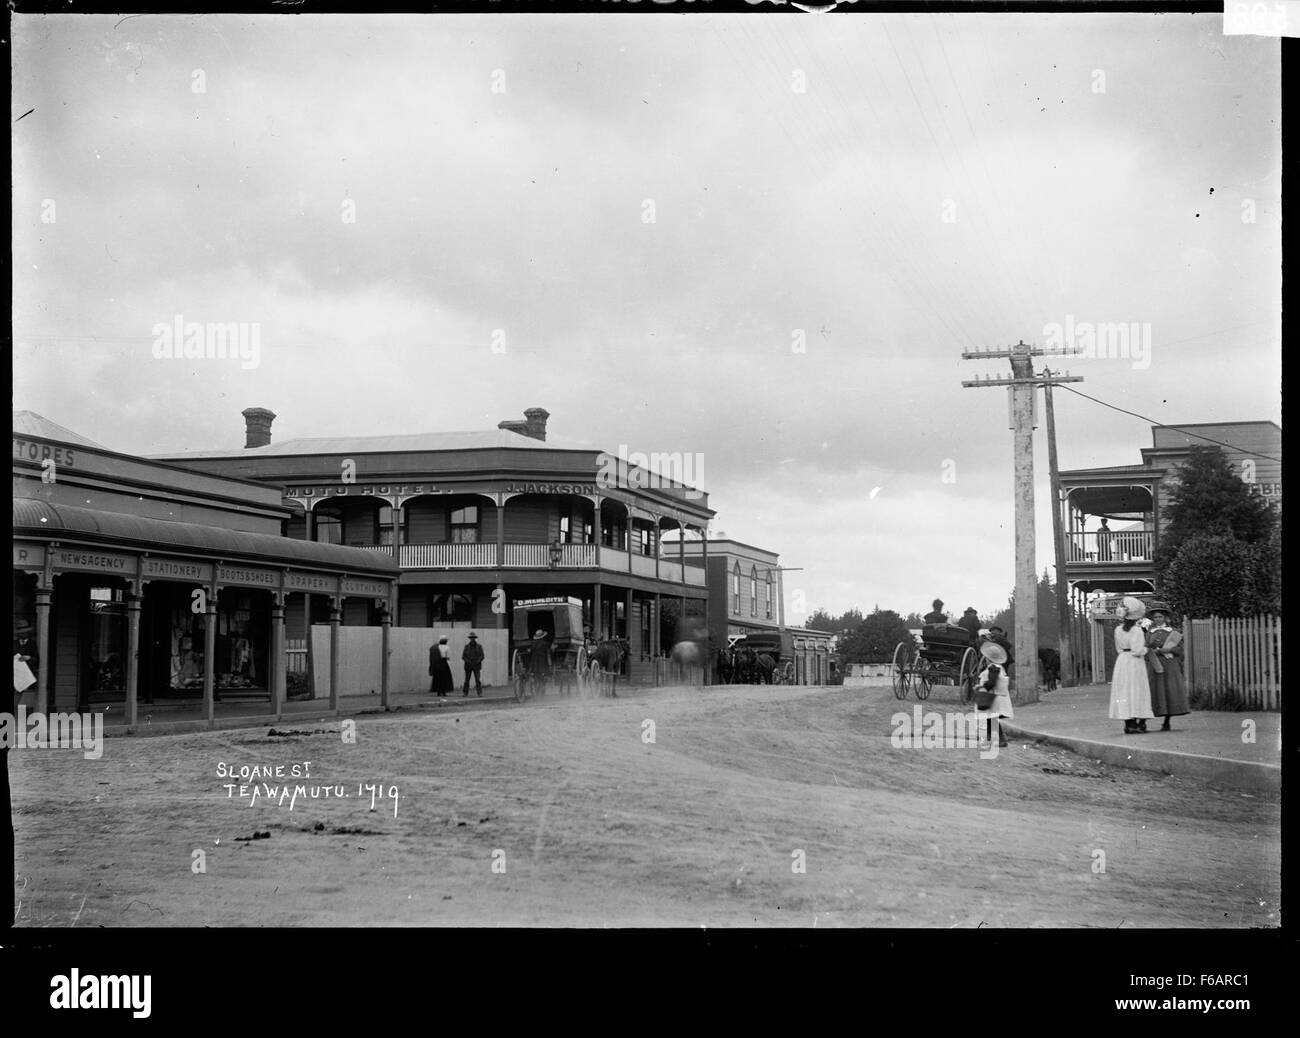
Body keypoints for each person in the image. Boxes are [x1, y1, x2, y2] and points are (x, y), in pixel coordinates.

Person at [1109, 597, 1154, 734]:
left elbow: (1118, 648)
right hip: (1135, 662)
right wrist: (1147, 649)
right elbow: (1137, 650)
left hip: (1122, 661)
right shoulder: (1137, 630)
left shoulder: (1118, 630)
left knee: (1124, 691)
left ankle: (1129, 724)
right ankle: (1137, 722)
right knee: (1137, 690)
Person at [1144, 602, 1189, 731]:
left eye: (1160, 617)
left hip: (1169, 664)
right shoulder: (1149, 632)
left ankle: (1167, 721)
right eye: (1156, 617)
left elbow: (1179, 649)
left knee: (1169, 690)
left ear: (1165, 618)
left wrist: (1164, 650)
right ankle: (1145, 720)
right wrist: (1150, 649)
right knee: (1154, 690)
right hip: (1155, 664)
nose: (1158, 619)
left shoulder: (1173, 632)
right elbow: (1146, 648)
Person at [974, 641, 1012, 748]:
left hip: (994, 697)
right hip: (998, 696)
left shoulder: (993, 668)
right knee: (990, 718)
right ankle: (992, 737)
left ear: (988, 658)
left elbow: (992, 682)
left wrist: (981, 687)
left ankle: (1000, 739)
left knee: (991, 718)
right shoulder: (999, 668)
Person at [14, 618, 39, 707]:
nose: (23, 634)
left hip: (27, 677)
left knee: (26, 700)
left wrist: (28, 657)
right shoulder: (14, 643)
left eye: (24, 632)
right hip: (16, 675)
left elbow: (37, 660)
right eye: (20, 632)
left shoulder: (32, 644)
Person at [461, 631, 485, 697]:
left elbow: (482, 656)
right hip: (468, 665)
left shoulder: (479, 646)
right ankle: (465, 693)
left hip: (476, 665)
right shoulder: (466, 646)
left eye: (473, 638)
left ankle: (479, 693)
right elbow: (463, 656)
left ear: (475, 638)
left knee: (477, 680)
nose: (472, 639)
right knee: (466, 680)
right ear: (470, 639)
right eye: (471, 638)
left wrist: (477, 661)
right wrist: (468, 661)